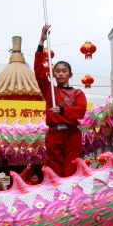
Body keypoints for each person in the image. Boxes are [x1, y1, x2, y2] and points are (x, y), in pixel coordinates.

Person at [34, 25, 87, 178]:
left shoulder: (78, 93)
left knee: (71, 172)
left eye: (64, 71)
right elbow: (38, 71)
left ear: (70, 74)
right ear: (54, 74)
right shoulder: (50, 90)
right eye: (57, 71)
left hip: (72, 135)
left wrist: (62, 110)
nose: (61, 74)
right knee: (54, 173)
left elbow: (80, 111)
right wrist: (41, 41)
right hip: (54, 134)